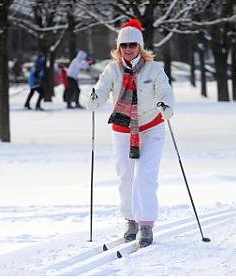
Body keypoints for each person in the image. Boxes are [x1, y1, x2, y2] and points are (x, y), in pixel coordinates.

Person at [87, 18, 175, 248]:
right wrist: (94, 98)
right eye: (123, 46)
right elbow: (102, 90)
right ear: (118, 48)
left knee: (145, 176)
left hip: (151, 127)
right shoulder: (112, 69)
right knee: (126, 177)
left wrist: (166, 105)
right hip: (123, 128)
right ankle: (130, 220)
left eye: (132, 45)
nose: (128, 49)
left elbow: (165, 91)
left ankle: (146, 224)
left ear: (140, 46)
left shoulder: (154, 69)